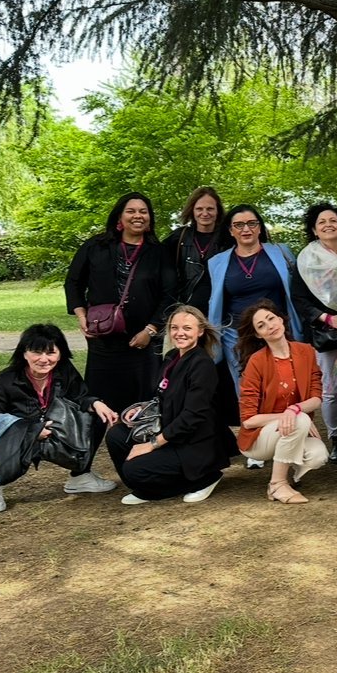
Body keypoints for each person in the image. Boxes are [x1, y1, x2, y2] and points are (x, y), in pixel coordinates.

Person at [0, 324, 120, 513]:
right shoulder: (5, 381)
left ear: (60, 354)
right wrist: (31, 431)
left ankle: (80, 475)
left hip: (55, 430)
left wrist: (96, 403)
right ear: (24, 353)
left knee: (97, 415)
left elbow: (80, 397)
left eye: (51, 353)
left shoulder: (64, 371)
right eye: (37, 352)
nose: (44, 359)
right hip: (18, 437)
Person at [65, 192, 175, 417]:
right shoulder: (96, 246)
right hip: (103, 337)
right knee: (100, 398)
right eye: (131, 211)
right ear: (119, 217)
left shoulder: (159, 252)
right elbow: (73, 282)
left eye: (143, 211)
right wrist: (82, 316)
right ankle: (98, 433)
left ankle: (137, 436)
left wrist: (150, 330)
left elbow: (170, 294)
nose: (138, 216)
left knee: (142, 401)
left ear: (150, 218)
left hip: (143, 341)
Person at [106, 305, 231, 504]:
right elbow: (162, 395)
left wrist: (152, 445)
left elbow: (192, 416)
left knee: (133, 470)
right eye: (174, 327)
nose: (180, 333)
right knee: (116, 436)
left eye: (187, 328)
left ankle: (205, 479)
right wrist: (142, 408)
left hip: (193, 444)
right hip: (169, 433)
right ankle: (144, 487)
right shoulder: (172, 357)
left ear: (200, 331)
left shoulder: (202, 365)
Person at [235, 300, 327, 504]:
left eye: (271, 318)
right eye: (261, 325)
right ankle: (277, 484)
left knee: (318, 455)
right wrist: (291, 416)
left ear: (281, 319)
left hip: (291, 429)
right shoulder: (257, 361)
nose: (269, 326)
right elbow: (248, 421)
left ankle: (288, 470)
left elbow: (316, 398)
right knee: (299, 419)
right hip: (259, 438)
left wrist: (295, 409)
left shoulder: (306, 351)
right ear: (258, 335)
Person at [207, 204, 304, 391]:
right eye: (239, 225)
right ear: (230, 231)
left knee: (285, 387)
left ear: (260, 228)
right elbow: (217, 301)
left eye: (252, 223)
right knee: (248, 390)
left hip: (278, 331)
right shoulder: (217, 262)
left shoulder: (281, 252)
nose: (246, 229)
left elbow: (297, 291)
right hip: (237, 336)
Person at [291, 203, 337, 464]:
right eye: (322, 222)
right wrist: (329, 318)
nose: (328, 225)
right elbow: (299, 298)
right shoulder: (306, 260)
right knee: (331, 388)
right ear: (314, 230)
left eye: (333, 220)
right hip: (326, 332)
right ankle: (336, 438)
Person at [163, 186, 230, 315]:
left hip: (220, 313)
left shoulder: (228, 239)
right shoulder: (179, 237)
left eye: (210, 209)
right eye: (199, 209)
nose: (205, 213)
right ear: (192, 211)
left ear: (218, 211)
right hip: (185, 311)